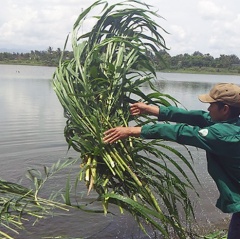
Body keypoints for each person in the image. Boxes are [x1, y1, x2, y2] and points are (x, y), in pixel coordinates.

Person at [103, 83, 240, 239]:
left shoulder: (221, 135)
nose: (208, 109)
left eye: (211, 105)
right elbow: (197, 117)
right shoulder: (232, 124)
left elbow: (179, 132)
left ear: (225, 109)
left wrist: (131, 130)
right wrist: (150, 109)